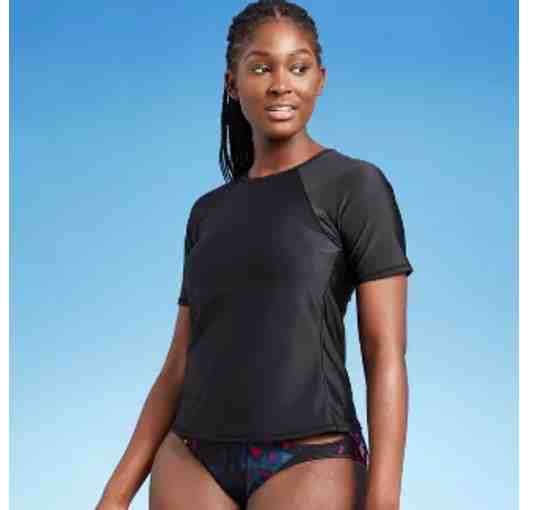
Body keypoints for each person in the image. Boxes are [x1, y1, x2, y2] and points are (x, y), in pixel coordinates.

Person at [96, 1, 413, 509]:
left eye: (298, 67)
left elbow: (384, 353)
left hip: (309, 457)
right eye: (261, 68)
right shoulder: (207, 212)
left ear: (320, 79)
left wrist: (384, 502)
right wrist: (114, 496)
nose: (281, 84)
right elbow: (178, 364)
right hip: (191, 457)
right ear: (232, 82)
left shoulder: (356, 186)